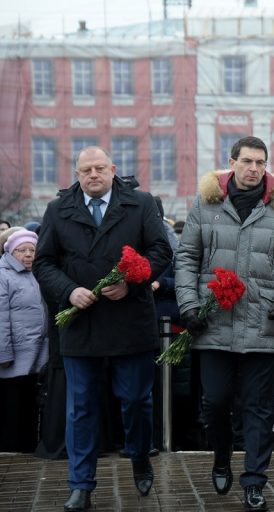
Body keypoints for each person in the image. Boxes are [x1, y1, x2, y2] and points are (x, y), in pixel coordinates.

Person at [33, 146, 172, 511]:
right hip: (81, 324)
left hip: (130, 322)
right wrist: (68, 290)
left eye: (99, 168)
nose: (92, 175)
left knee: (136, 402)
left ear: (112, 170)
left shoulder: (139, 204)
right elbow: (44, 262)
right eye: (85, 170)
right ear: (77, 174)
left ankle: (140, 456)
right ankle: (81, 485)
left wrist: (132, 282)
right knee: (81, 408)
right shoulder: (57, 209)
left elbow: (160, 252)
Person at [174, 136, 274, 512]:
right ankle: (220, 454)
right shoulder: (207, 204)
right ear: (231, 163)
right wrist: (188, 303)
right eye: (247, 161)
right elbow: (187, 258)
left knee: (260, 407)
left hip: (262, 322)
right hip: (213, 322)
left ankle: (254, 480)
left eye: (260, 162)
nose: (254, 169)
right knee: (214, 402)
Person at [0, 229, 48, 452]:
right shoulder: (3, 275)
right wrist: (3, 353)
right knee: (11, 401)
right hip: (13, 352)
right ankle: (11, 447)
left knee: (30, 400)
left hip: (36, 351)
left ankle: (28, 444)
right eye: (22, 250)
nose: (28, 255)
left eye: (32, 250)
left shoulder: (38, 273)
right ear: (10, 251)